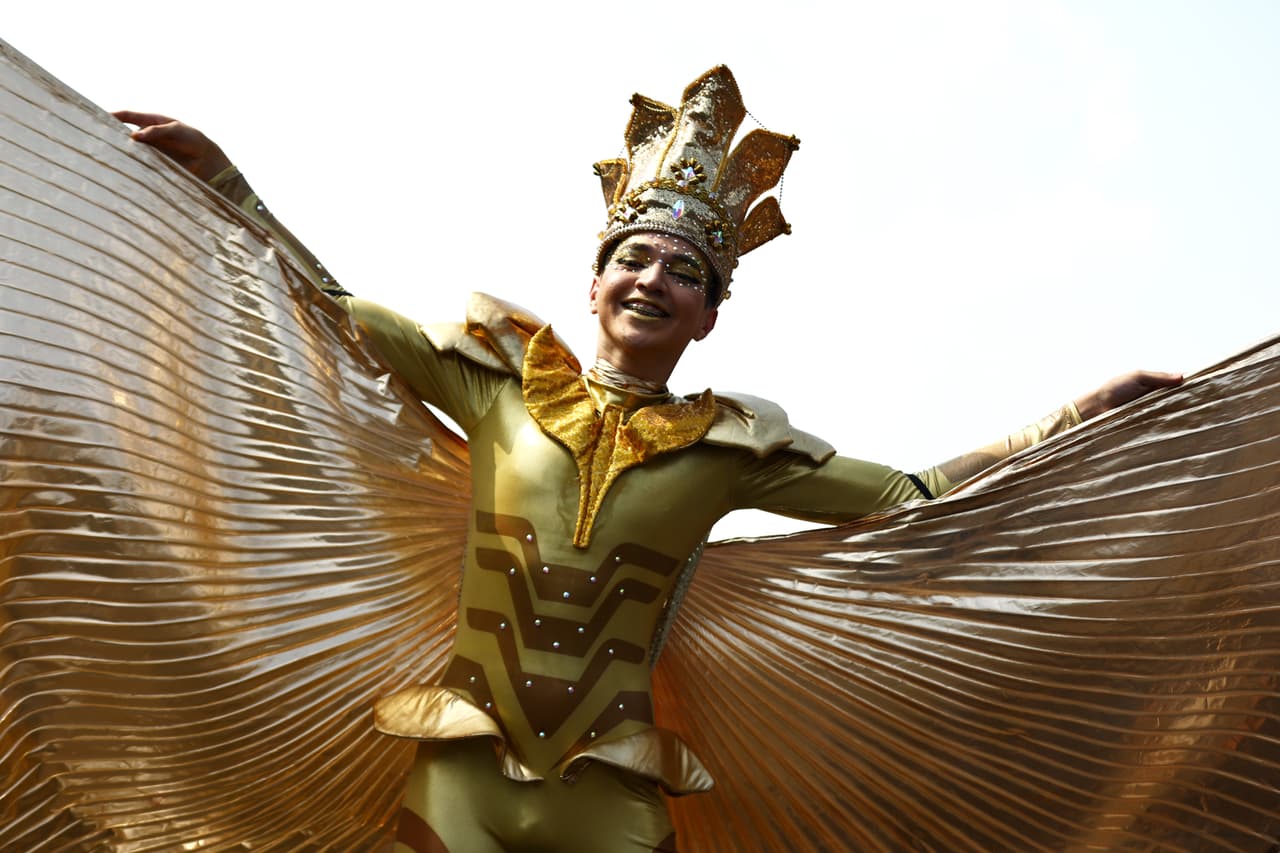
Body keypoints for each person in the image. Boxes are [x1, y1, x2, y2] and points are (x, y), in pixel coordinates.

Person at [115, 66, 1180, 852]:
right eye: (630, 258)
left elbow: (910, 497)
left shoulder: (729, 448)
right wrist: (227, 185)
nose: (650, 279)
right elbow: (334, 315)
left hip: (613, 801)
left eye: (682, 270)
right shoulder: (498, 384)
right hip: (460, 779)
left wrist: (1069, 419)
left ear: (707, 315)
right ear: (593, 284)